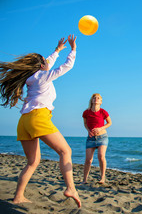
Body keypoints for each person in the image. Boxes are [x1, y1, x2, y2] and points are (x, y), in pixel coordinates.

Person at [0, 35, 81, 208]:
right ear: (41, 66)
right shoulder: (43, 76)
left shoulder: (32, 78)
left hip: (24, 121)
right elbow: (66, 66)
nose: (47, 64)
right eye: (44, 63)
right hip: (38, 117)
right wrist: (73, 50)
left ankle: (18, 197)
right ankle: (71, 188)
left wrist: (58, 50)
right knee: (66, 151)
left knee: (32, 162)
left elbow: (48, 64)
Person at [82, 93, 112, 184]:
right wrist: (88, 131)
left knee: (101, 156)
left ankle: (102, 178)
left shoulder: (103, 112)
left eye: (98, 98)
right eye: (94, 98)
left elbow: (109, 123)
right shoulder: (86, 112)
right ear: (92, 100)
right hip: (91, 138)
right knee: (88, 160)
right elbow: (85, 124)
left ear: (101, 102)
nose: (96, 99)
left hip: (102, 137)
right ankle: (84, 180)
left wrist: (100, 128)